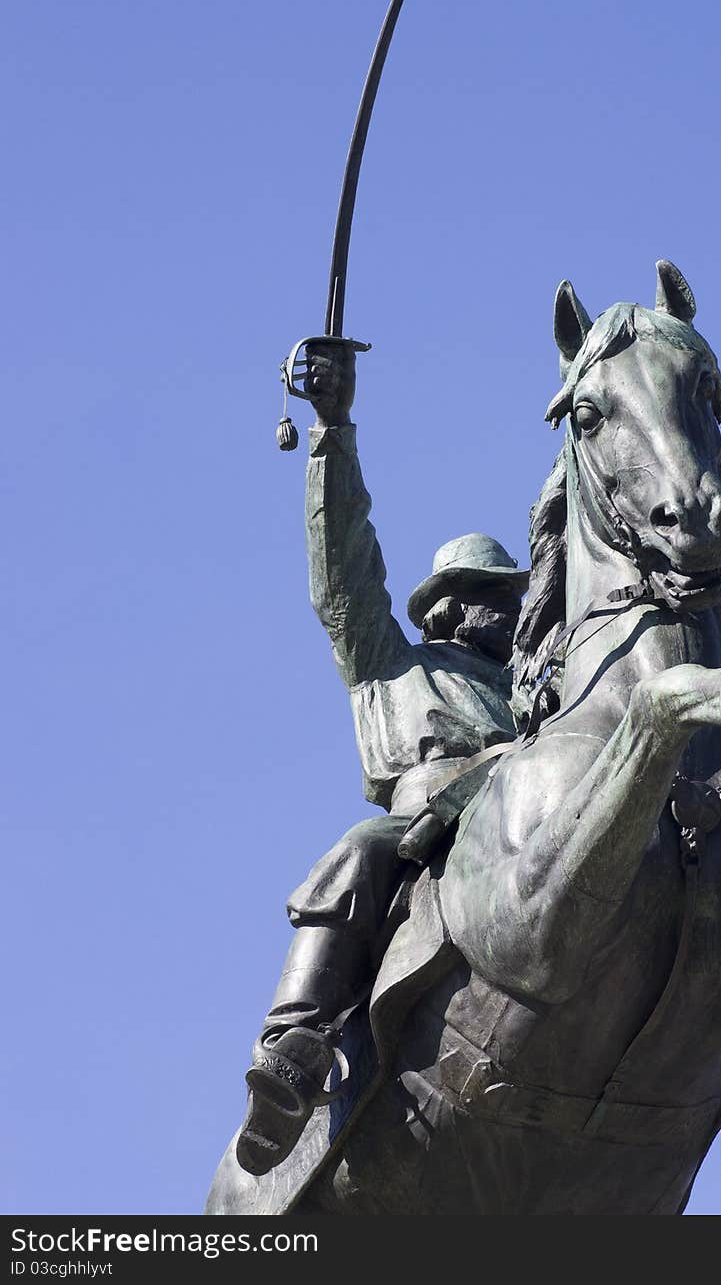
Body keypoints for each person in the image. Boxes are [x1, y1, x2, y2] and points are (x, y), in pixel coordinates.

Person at [236, 338, 528, 1175]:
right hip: (422, 835)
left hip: (523, 825)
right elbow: (342, 573)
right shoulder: (391, 663)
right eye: (487, 593)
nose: (504, 608)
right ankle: (296, 1042)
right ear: (446, 608)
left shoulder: (532, 695)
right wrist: (334, 431)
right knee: (361, 849)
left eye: (510, 594)